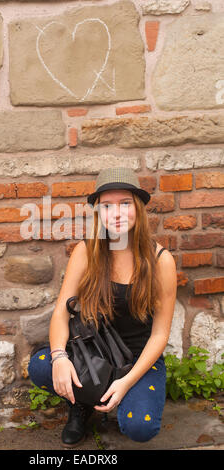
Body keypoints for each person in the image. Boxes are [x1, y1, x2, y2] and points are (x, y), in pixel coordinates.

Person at [28, 167, 177, 448]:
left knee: (139, 426)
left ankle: (113, 395)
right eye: (107, 205)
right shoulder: (87, 251)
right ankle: (82, 405)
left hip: (136, 361)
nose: (117, 212)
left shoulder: (161, 261)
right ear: (98, 212)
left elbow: (159, 335)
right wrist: (60, 357)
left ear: (139, 208)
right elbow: (62, 310)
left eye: (125, 203)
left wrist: (127, 382)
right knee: (40, 366)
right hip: (92, 353)